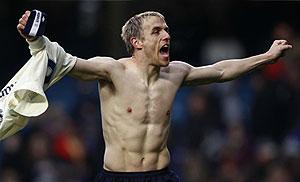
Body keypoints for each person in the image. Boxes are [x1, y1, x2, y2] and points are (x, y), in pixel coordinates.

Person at [17, 10, 292, 182]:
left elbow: (221, 71)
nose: (166, 35)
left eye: (167, 29)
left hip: (162, 175)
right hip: (117, 177)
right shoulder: (113, 70)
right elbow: (65, 62)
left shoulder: (176, 73)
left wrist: (266, 58)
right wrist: (36, 40)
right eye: (157, 31)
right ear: (137, 43)